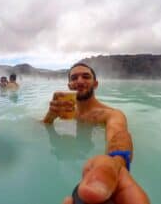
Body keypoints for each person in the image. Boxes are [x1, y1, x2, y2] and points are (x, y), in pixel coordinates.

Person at [43, 63, 149, 204]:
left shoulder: (111, 114)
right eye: (74, 78)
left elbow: (119, 135)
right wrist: (50, 116)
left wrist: (114, 164)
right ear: (69, 85)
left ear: (95, 84)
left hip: (97, 173)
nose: (79, 81)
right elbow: (38, 128)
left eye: (86, 77)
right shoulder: (66, 113)